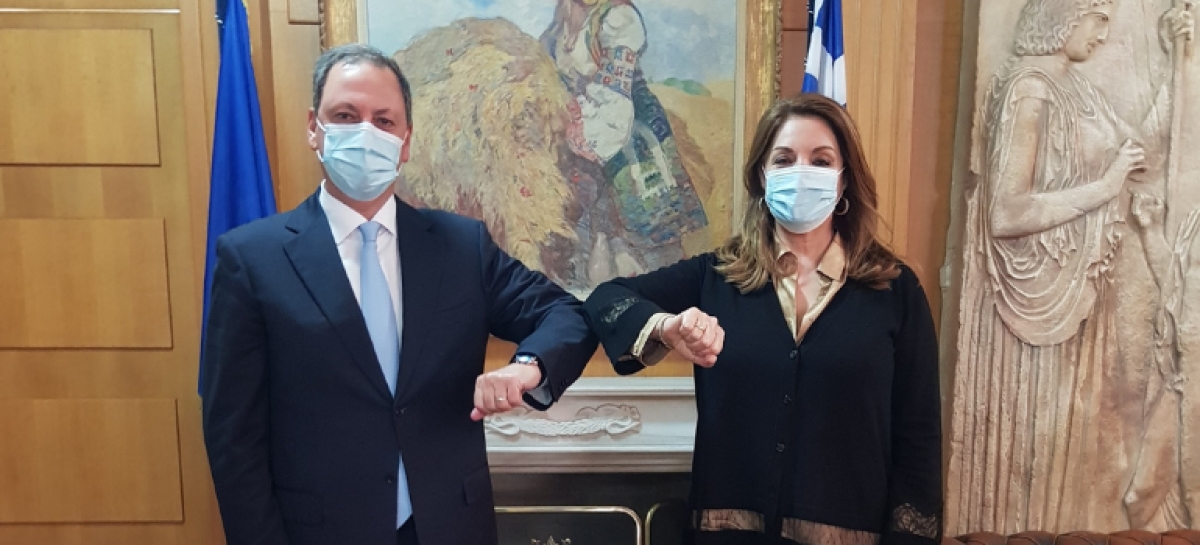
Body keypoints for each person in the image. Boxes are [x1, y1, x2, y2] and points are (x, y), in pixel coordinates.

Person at [200, 44, 596, 545]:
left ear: (405, 142)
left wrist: (526, 367)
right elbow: (233, 439)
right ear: (313, 128)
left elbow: (567, 314)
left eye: (383, 121)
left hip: (451, 528)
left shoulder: (461, 247)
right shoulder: (252, 259)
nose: (366, 133)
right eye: (345, 116)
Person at [583, 93, 942, 545]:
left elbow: (919, 437)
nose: (801, 172)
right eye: (784, 159)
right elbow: (605, 298)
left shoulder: (895, 291)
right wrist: (666, 328)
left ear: (844, 181)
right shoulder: (717, 276)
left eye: (821, 161)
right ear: (761, 175)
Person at [946, 0, 1193, 533]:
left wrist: (1178, 59)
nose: (1103, 34)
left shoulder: (1079, 89)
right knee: (1027, 465)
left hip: (1083, 297)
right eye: (1098, 18)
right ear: (1064, 14)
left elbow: (1142, 153)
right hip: (1033, 307)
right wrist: (1104, 187)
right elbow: (1006, 213)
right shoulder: (1029, 89)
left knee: (1076, 465)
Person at [540, 0, 708, 280]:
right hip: (579, 133)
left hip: (628, 133)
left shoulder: (618, 17)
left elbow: (614, 101)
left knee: (646, 243)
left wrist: (574, 124)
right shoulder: (560, 23)